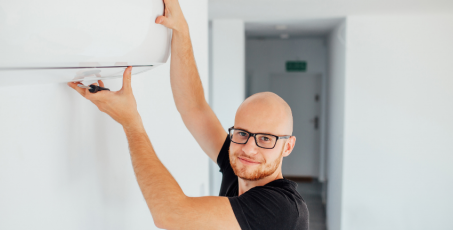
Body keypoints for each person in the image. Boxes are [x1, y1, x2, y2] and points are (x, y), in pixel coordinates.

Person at [68, 0, 309, 229]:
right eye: (242, 133)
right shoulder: (239, 165)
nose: (248, 148)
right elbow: (193, 106)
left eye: (266, 139)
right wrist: (181, 31)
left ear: (288, 146)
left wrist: (131, 123)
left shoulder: (282, 209)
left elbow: (170, 214)